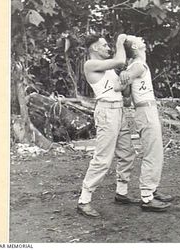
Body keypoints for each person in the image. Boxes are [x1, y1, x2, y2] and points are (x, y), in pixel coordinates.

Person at [77, 34, 139, 218]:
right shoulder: (90, 65)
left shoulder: (110, 69)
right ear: (95, 48)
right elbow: (119, 59)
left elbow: (125, 96)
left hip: (119, 111)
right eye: (104, 45)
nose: (108, 48)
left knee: (127, 153)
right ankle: (84, 200)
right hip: (106, 112)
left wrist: (126, 81)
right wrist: (120, 40)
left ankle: (121, 192)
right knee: (103, 158)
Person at [114, 35, 174, 212]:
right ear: (134, 46)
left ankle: (152, 190)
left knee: (155, 151)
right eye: (138, 39)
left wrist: (126, 78)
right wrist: (124, 78)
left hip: (145, 110)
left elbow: (126, 98)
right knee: (153, 152)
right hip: (145, 111)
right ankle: (147, 197)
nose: (142, 40)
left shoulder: (136, 66)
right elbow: (119, 87)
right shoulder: (138, 66)